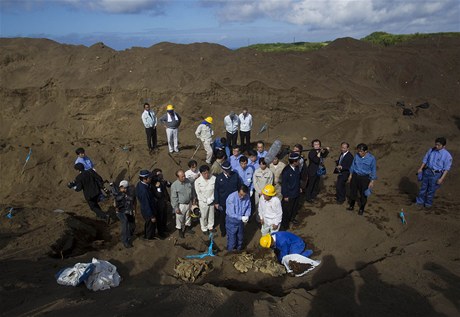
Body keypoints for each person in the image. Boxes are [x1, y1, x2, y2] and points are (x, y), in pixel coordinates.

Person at [416, 137, 453, 208]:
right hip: (427, 171)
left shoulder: (447, 156)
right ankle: (419, 202)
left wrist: (441, 179)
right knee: (423, 188)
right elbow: (425, 160)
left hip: (436, 174)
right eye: (436, 144)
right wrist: (420, 168)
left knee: (431, 190)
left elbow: (446, 169)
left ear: (443, 146)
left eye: (439, 145)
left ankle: (428, 204)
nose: (436, 146)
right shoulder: (431, 150)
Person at [347, 143, 377, 215]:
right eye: (358, 151)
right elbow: (353, 165)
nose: (359, 153)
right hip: (355, 176)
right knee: (353, 190)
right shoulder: (356, 156)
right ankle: (352, 205)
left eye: (361, 151)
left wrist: (372, 181)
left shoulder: (371, 158)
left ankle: (362, 208)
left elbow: (373, 170)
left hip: (365, 178)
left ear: (366, 151)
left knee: (363, 193)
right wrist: (350, 175)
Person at [214, 161, 241, 237]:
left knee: (233, 216)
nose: (228, 171)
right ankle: (223, 230)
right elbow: (216, 190)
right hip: (223, 202)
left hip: (234, 202)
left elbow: (239, 187)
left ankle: (233, 231)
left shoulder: (235, 175)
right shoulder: (219, 178)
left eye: (229, 169)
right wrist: (216, 202)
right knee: (222, 217)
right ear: (223, 169)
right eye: (226, 170)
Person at [225, 185, 251, 251]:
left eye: (244, 195)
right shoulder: (231, 198)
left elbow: (248, 207)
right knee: (232, 239)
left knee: (240, 238)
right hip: (232, 221)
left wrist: (247, 215)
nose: (242, 197)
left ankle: (238, 251)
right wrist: (241, 217)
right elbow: (231, 213)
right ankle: (230, 253)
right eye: (241, 195)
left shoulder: (247, 197)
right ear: (238, 191)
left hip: (240, 222)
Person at [170, 169, 194, 238]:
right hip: (181, 205)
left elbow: (192, 191)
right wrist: (176, 208)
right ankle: (180, 231)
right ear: (178, 177)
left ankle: (187, 229)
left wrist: (193, 199)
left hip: (188, 203)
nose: (184, 177)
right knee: (179, 218)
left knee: (188, 216)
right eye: (182, 177)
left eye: (184, 176)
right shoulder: (174, 185)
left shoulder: (188, 181)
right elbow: (174, 198)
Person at [280, 152, 301, 230]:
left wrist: (299, 187)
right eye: (297, 160)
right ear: (294, 161)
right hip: (289, 194)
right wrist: (285, 195)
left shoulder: (297, 168)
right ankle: (285, 224)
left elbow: (298, 179)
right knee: (286, 210)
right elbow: (284, 184)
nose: (299, 162)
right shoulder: (286, 171)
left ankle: (292, 219)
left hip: (296, 192)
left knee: (294, 208)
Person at [136, 170, 158, 239]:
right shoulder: (144, 191)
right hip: (148, 210)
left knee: (148, 224)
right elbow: (146, 204)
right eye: (149, 178)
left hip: (146, 208)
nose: (150, 179)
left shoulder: (140, 184)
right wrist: (151, 216)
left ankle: (148, 235)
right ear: (144, 179)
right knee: (150, 224)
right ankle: (149, 238)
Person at [113, 180, 136, 248]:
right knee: (125, 223)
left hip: (129, 211)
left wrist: (134, 210)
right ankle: (125, 240)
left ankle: (129, 235)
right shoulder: (118, 194)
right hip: (121, 212)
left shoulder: (130, 193)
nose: (123, 189)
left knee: (132, 224)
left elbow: (133, 201)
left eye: (125, 187)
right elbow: (116, 202)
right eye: (122, 187)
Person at [194, 165, 216, 235]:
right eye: (204, 173)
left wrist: (212, 198)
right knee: (203, 215)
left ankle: (210, 226)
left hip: (212, 199)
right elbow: (198, 193)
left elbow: (215, 190)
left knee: (211, 214)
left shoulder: (213, 178)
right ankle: (204, 227)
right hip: (203, 201)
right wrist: (205, 200)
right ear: (201, 173)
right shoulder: (197, 181)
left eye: (207, 173)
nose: (206, 175)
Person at [151, 168, 171, 238]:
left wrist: (167, 182)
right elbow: (158, 194)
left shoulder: (162, 181)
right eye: (159, 174)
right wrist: (158, 187)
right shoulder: (153, 183)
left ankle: (164, 227)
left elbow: (169, 184)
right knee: (160, 218)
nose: (161, 175)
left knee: (164, 216)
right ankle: (160, 232)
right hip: (158, 203)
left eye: (161, 174)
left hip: (164, 200)